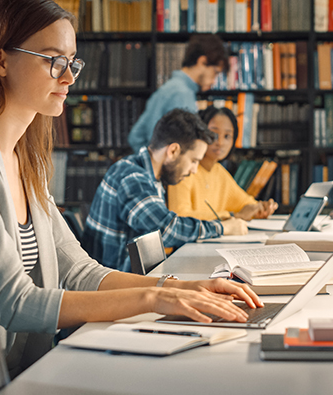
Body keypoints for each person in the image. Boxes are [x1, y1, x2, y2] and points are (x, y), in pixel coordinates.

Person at [0, 0, 261, 377]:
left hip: (0, 373)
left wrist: (180, 288)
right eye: (54, 61)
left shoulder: (25, 157)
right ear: (1, 60)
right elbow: (12, 301)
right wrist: (155, 298)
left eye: (73, 62)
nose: (70, 76)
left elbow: (80, 272)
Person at [83, 108, 249, 272]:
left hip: (131, 280)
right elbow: (165, 229)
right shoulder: (132, 177)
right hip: (113, 287)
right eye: (193, 160)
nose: (194, 170)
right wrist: (222, 228)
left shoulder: (148, 175)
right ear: (173, 151)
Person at [168, 106, 278, 221]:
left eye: (227, 136)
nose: (220, 143)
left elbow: (246, 204)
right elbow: (180, 216)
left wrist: (261, 208)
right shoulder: (184, 170)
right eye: (214, 135)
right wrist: (232, 216)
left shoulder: (219, 172)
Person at [127, 34, 227, 152]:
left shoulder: (173, 88)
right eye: (215, 72)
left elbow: (136, 136)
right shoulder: (181, 94)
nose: (214, 81)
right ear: (202, 62)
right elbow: (182, 148)